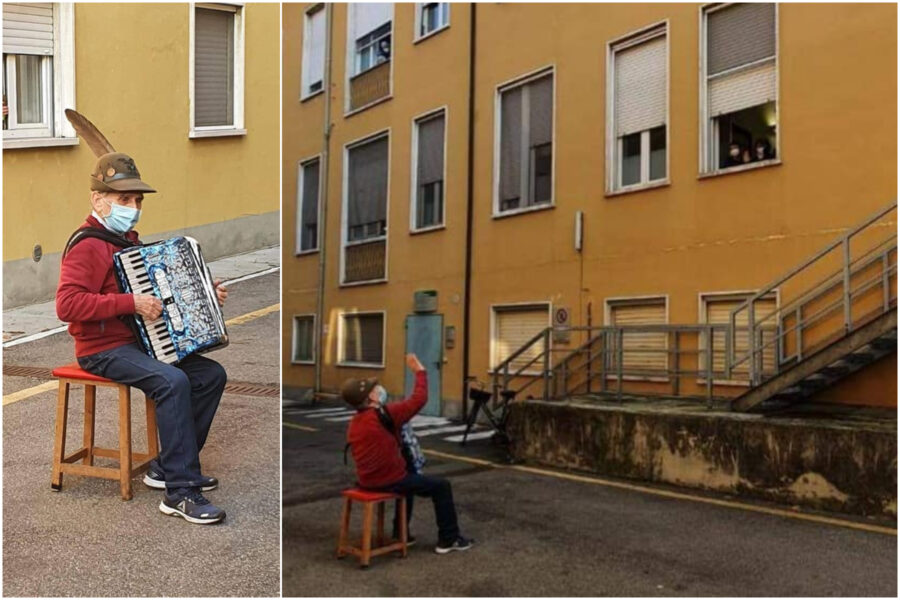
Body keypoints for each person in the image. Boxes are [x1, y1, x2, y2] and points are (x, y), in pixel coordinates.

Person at [56, 146, 230, 525]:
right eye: (124, 199)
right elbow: (67, 305)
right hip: (101, 349)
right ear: (98, 200)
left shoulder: (129, 242)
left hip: (136, 343)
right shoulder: (87, 246)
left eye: (137, 199)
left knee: (210, 375)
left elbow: (161, 293)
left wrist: (205, 294)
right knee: (172, 382)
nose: (133, 206)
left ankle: (167, 468)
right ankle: (181, 493)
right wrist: (129, 302)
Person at [342, 354, 474, 554]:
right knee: (441, 486)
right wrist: (420, 371)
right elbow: (419, 399)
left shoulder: (355, 422)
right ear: (371, 398)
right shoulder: (383, 415)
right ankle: (449, 539)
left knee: (409, 474)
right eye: (374, 389)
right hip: (388, 480)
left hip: (366, 481)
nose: (379, 390)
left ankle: (400, 532)